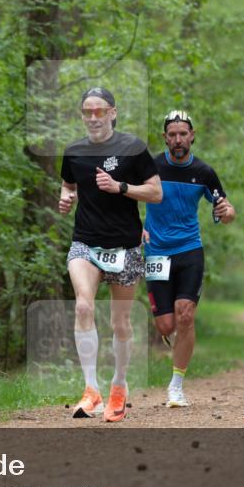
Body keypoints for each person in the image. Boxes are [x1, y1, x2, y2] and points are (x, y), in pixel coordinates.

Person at [58, 87, 162, 422]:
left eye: (99, 111)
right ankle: (91, 391)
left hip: (125, 245)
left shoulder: (133, 149)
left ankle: (119, 386)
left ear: (113, 113)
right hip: (85, 243)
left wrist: (121, 187)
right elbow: (69, 184)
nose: (93, 118)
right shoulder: (73, 151)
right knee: (84, 305)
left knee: (120, 323)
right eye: (87, 112)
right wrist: (65, 197)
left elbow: (156, 193)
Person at [142, 110, 235, 408]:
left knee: (185, 315)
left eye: (183, 134)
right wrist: (135, 229)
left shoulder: (204, 172)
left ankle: (176, 386)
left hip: (189, 250)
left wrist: (227, 212)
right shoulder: (151, 167)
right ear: (165, 138)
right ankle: (175, 338)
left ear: (192, 136)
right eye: (173, 134)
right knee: (166, 326)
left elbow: (224, 205)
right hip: (156, 250)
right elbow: (127, 195)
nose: (178, 139)